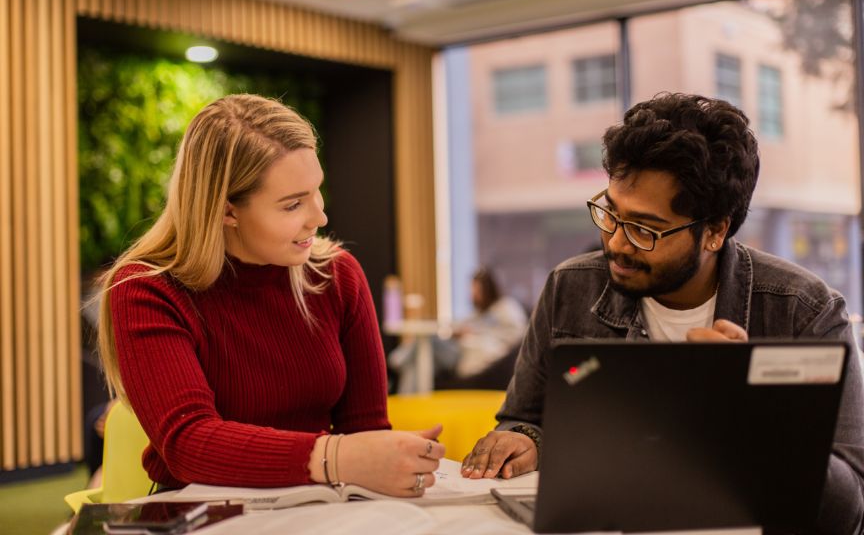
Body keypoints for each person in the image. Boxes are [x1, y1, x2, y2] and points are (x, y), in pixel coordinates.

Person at [460, 93, 864, 534]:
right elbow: (524, 417)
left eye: (645, 229)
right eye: (611, 214)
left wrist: (751, 417)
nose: (615, 242)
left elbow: (847, 511)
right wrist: (524, 439)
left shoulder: (804, 311)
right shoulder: (570, 287)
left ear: (714, 231)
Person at [97, 94, 444, 496]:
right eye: (293, 204)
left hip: (320, 507)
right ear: (227, 211)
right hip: (202, 514)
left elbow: (364, 432)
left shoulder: (337, 275)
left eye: (317, 191)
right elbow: (189, 444)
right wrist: (341, 457)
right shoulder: (147, 289)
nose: (320, 217)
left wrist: (385, 459)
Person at [435, 268, 527, 388]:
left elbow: (518, 335)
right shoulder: (480, 312)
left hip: (480, 353)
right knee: (427, 348)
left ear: (488, 289)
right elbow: (464, 324)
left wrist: (475, 334)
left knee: (431, 345)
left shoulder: (506, 307)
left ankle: (405, 368)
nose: (473, 294)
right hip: (465, 349)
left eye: (477, 289)